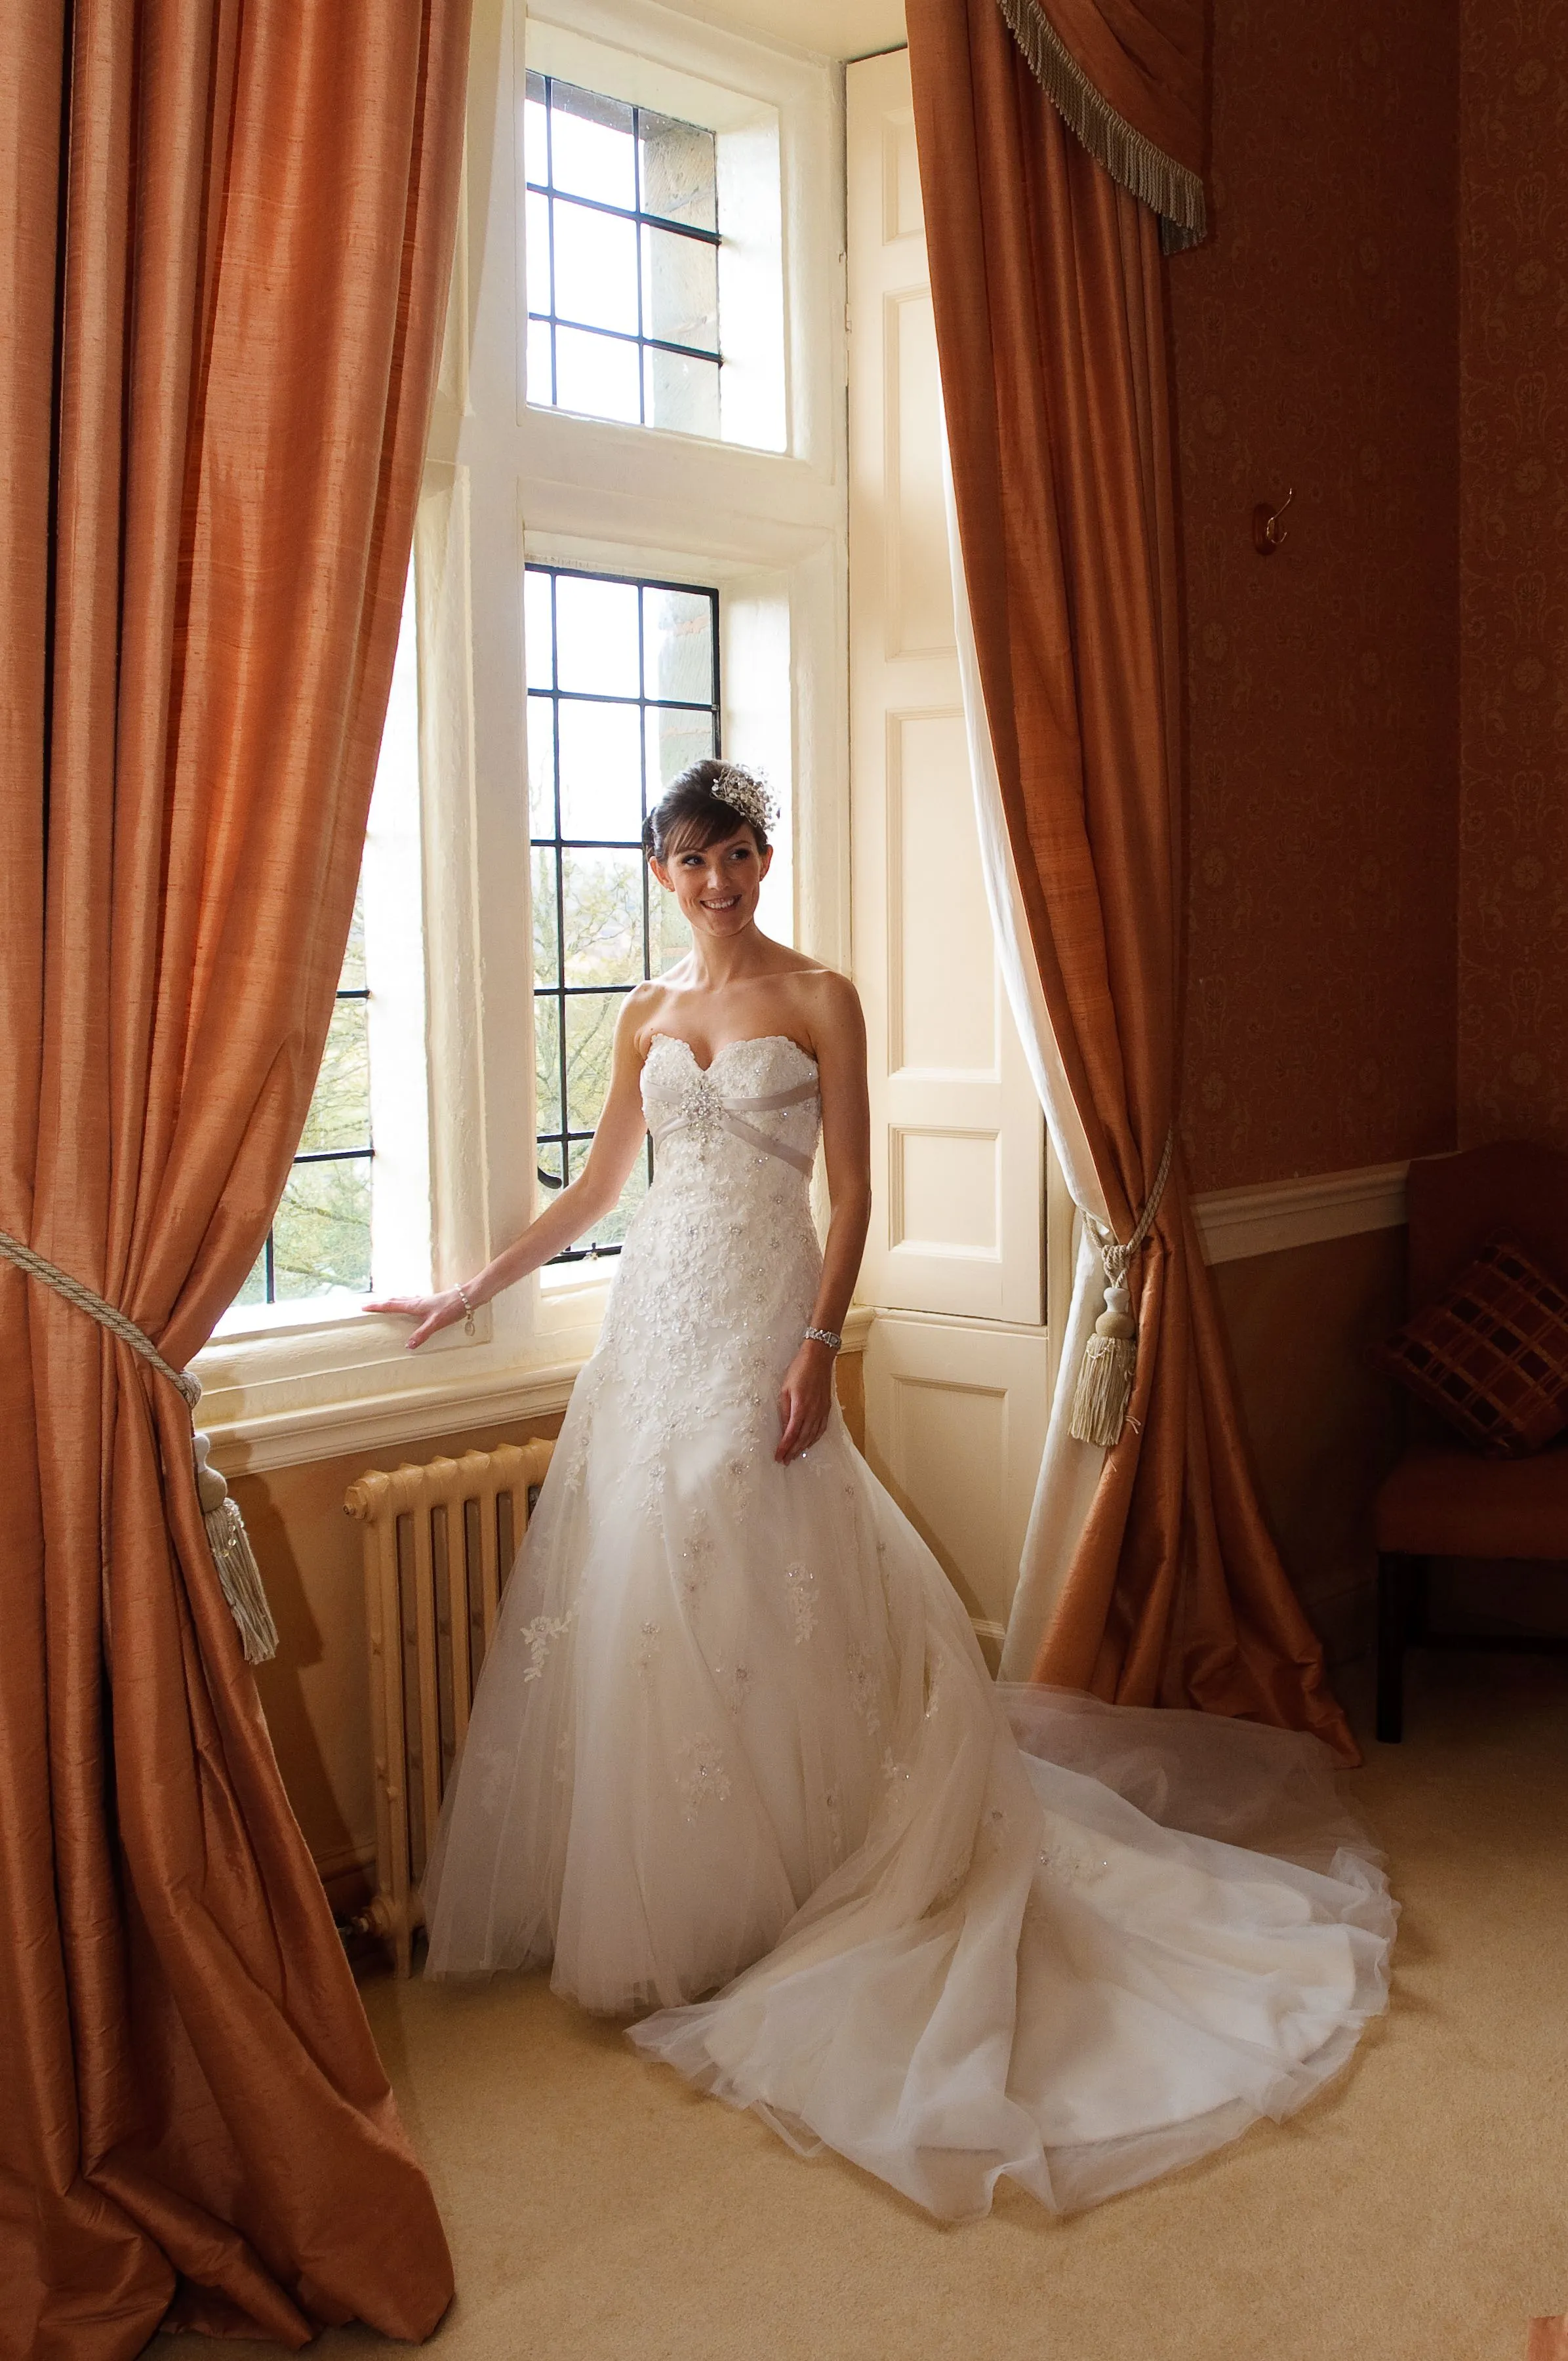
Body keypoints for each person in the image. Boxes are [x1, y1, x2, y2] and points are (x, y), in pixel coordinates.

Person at [370, 760, 1396, 2222]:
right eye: (690, 861)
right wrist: (473, 1289)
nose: (716, 880)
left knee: (749, 1548)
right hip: (658, 1311)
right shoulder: (644, 1016)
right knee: (650, 1581)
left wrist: (816, 1346)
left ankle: (824, 1870)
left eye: (736, 854)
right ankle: (715, 1896)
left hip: (764, 1310)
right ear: (659, 874)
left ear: (763, 859)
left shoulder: (820, 998)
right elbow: (604, 1191)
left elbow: (852, 1195)